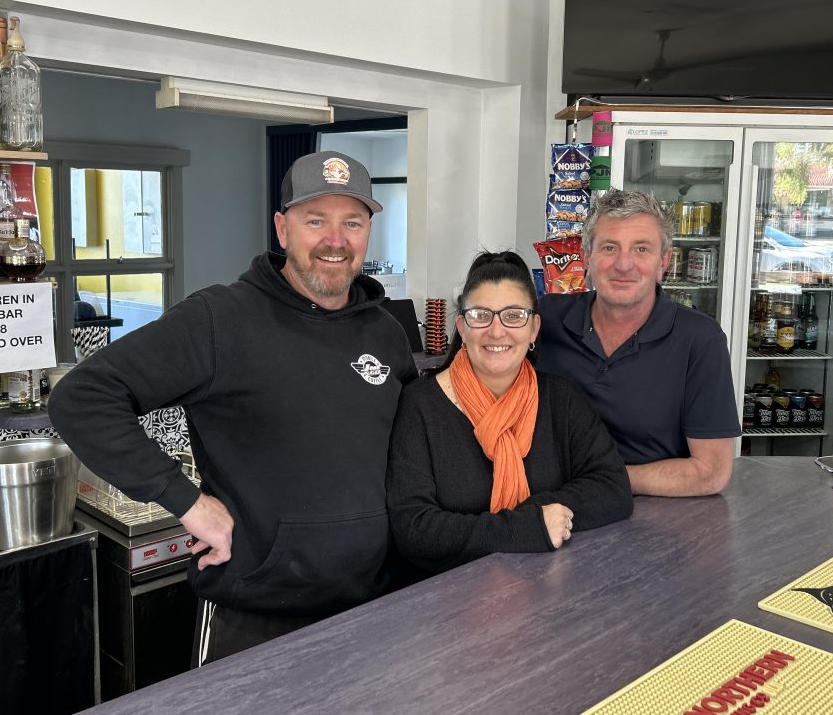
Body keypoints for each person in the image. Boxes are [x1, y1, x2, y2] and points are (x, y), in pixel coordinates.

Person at [48, 151, 416, 664]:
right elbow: (82, 397)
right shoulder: (220, 320)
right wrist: (186, 501)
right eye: (316, 221)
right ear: (282, 228)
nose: (336, 240)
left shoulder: (386, 333)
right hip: (257, 620)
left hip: (376, 611)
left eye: (352, 222)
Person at [387, 252, 633, 575]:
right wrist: (524, 527)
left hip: (548, 587)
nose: (497, 331)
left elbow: (613, 489)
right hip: (446, 604)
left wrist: (524, 519)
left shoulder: (562, 399)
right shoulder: (419, 405)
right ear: (462, 326)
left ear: (534, 329)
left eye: (514, 316)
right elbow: (414, 530)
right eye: (480, 315)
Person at [538, 189, 739, 497]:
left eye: (641, 249)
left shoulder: (700, 340)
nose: (623, 264)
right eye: (609, 247)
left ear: (663, 262)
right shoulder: (546, 319)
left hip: (657, 518)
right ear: (586, 258)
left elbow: (710, 473)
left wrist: (603, 481)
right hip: (550, 509)